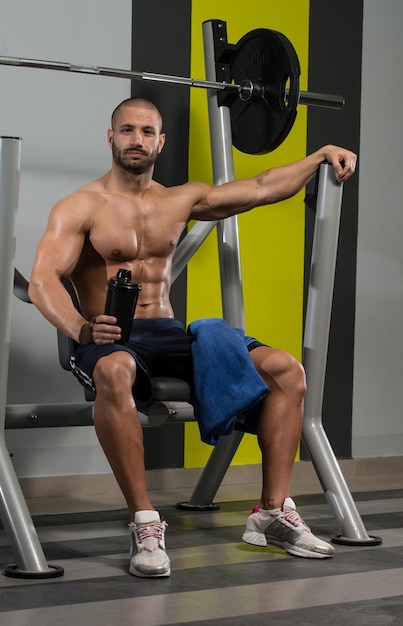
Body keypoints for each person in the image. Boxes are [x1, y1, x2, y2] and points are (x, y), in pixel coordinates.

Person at [29, 96, 357, 578]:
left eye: (145, 132)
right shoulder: (80, 205)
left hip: (166, 331)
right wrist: (81, 327)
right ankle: (144, 521)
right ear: (110, 138)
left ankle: (271, 512)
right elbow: (43, 281)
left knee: (287, 370)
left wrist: (318, 156)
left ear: (160, 141)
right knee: (114, 370)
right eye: (126, 130)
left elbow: (263, 188)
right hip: (109, 334)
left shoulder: (180, 199)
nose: (136, 140)